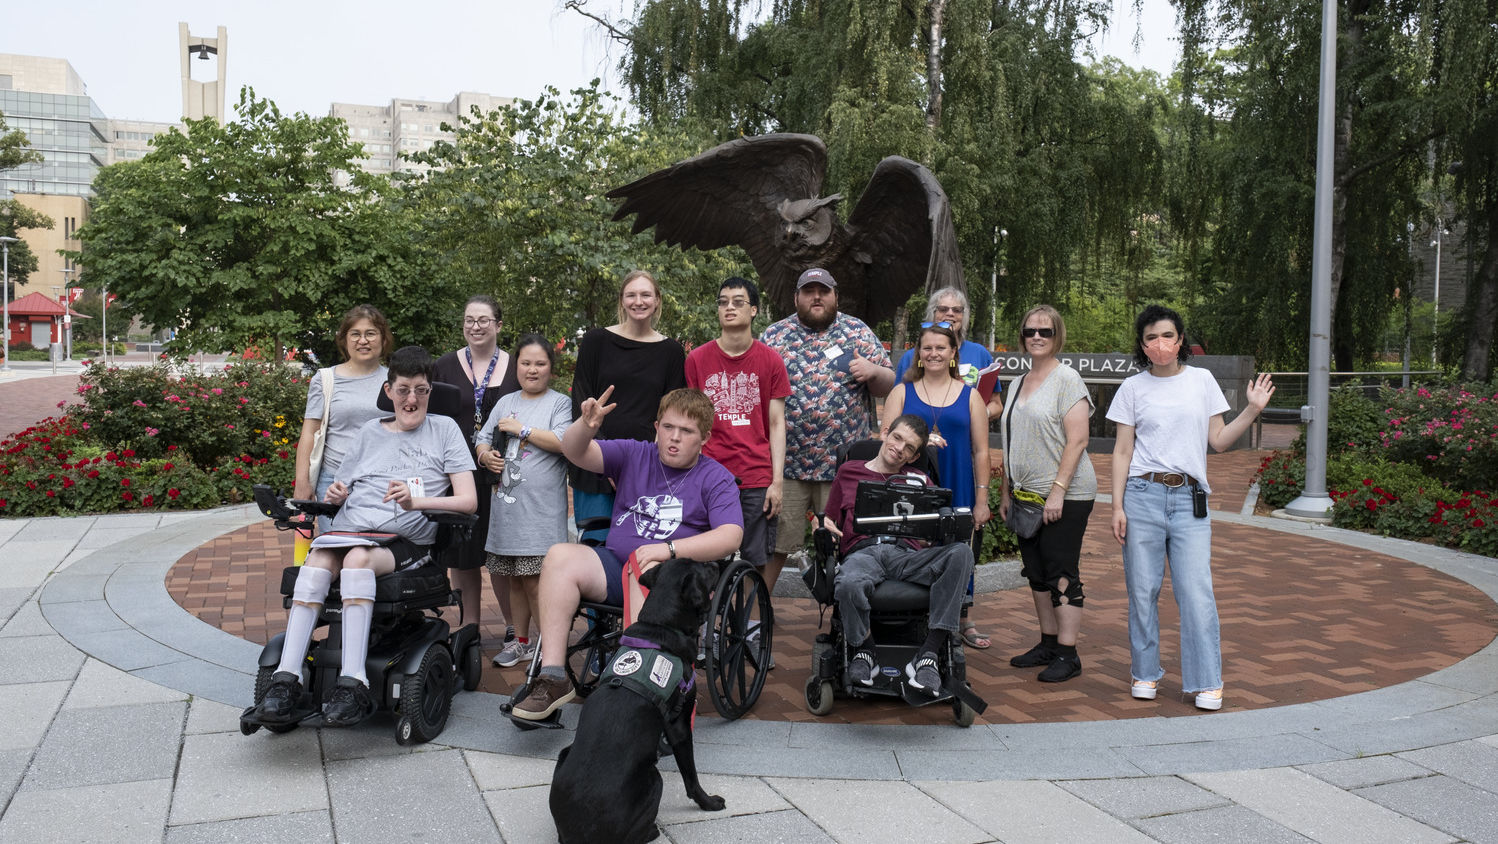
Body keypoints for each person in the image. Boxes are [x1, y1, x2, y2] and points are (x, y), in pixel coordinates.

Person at [253, 346, 478, 727]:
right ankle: (286, 678)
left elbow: (469, 501)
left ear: (429, 392)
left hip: (405, 540)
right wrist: (335, 496)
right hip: (352, 529)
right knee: (318, 559)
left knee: (356, 558)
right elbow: (342, 488)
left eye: (421, 391)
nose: (412, 399)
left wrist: (416, 501)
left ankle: (353, 681)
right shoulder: (369, 432)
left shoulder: (445, 430)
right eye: (403, 390)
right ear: (388, 391)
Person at [1107, 304, 1274, 711]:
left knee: (1196, 593)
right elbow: (1122, 450)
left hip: (1189, 501)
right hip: (1142, 496)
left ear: (1181, 340)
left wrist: (1252, 410)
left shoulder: (1201, 381)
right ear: (1142, 345)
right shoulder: (1132, 388)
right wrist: (1117, 506)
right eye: (1151, 338)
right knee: (1142, 591)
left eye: (1167, 336)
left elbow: (1218, 441)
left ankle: (1206, 681)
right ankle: (1145, 672)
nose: (1160, 344)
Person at [820, 414, 975, 697]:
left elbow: (935, 532)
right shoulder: (849, 471)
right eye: (897, 438)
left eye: (909, 447)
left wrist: (938, 530)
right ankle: (864, 651)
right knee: (849, 582)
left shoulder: (921, 480)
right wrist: (824, 525)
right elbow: (829, 519)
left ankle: (927, 656)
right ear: (887, 433)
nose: (899, 448)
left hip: (907, 554)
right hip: (863, 551)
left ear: (915, 456)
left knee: (961, 553)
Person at [760, 267, 894, 582]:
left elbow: (889, 383)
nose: (816, 297)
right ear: (796, 297)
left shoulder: (857, 331)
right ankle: (757, 620)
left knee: (849, 543)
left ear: (836, 296)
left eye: (823, 291)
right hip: (787, 467)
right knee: (774, 546)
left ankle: (847, 619)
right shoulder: (774, 335)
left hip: (843, 468)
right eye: (809, 291)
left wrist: (873, 370)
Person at [880, 321, 994, 650]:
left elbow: (981, 450)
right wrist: (919, 438)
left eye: (940, 348)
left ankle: (960, 619)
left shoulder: (970, 397)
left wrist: (982, 499)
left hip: (957, 482)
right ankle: (916, 618)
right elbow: (885, 439)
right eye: (927, 348)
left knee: (959, 551)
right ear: (918, 353)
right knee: (915, 550)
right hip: (912, 489)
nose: (933, 354)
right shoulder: (902, 392)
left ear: (953, 353)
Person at [999, 305, 1097, 683]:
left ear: (1057, 336)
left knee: (1060, 572)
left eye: (1045, 331)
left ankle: (1069, 654)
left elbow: (1078, 440)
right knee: (1036, 573)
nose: (1036, 337)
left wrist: (1057, 492)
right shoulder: (1015, 383)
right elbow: (1011, 441)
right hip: (1024, 495)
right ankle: (1048, 643)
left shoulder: (1067, 380)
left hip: (1065, 496)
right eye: (1029, 331)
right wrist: (1007, 490)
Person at [684, 277, 790, 590]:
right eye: (723, 301)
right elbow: (690, 419)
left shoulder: (770, 360)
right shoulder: (697, 359)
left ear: (754, 309)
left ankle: (749, 629)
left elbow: (776, 422)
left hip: (756, 476)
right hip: (709, 474)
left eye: (738, 301)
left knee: (754, 560)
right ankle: (706, 632)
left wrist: (778, 482)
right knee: (704, 556)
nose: (729, 307)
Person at [475, 334, 573, 668]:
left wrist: (523, 430)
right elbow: (482, 438)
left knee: (536, 583)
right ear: (516, 365)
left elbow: (564, 442)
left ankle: (551, 649)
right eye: (526, 363)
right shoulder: (505, 401)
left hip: (541, 514)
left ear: (551, 368)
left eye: (540, 364)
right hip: (507, 511)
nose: (532, 370)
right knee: (515, 579)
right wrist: (485, 456)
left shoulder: (560, 403)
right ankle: (521, 642)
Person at [570, 270, 687, 542]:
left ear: (657, 300)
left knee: (641, 549)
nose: (639, 301)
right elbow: (581, 401)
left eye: (646, 295)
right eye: (631, 295)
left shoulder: (671, 351)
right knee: (596, 547)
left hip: (646, 468)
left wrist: (646, 465)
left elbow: (671, 413)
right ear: (622, 300)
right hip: (594, 463)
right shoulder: (595, 341)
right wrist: (606, 461)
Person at [433, 295, 521, 639]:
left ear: (498, 325)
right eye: (470, 320)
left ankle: (515, 626)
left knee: (502, 553)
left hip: (507, 473)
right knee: (464, 555)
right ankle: (469, 626)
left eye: (483, 320)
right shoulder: (443, 366)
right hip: (459, 472)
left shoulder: (516, 366)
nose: (476, 326)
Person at [294, 305, 392, 530]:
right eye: (355, 334)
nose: (363, 341)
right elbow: (310, 433)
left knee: (375, 554)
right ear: (345, 340)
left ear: (383, 339)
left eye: (370, 333)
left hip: (381, 483)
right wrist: (303, 482)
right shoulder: (325, 379)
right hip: (333, 482)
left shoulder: (395, 380)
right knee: (334, 550)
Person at [893, 287, 1002, 418]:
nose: (950, 314)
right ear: (932, 313)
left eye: (957, 310)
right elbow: (896, 405)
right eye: (943, 309)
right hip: (919, 433)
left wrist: (980, 414)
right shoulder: (911, 356)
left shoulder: (980, 353)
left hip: (965, 433)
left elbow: (996, 403)